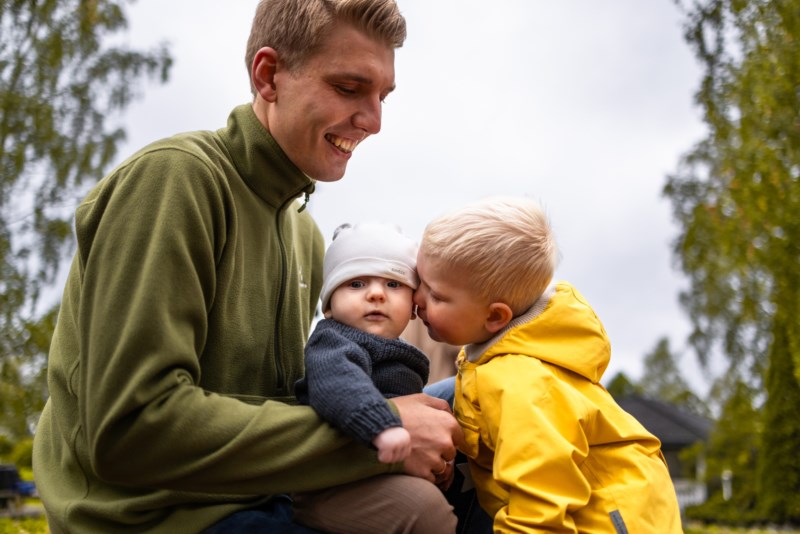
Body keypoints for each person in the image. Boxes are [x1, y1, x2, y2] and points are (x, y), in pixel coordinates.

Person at [31, 1, 462, 532]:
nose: (373, 121)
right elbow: (131, 432)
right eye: (349, 89)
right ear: (268, 75)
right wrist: (383, 436)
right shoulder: (175, 181)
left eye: (382, 96)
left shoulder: (303, 233)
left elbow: (292, 405)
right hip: (160, 520)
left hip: (268, 498)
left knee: (472, 403)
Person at [413, 196, 684, 533]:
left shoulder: (521, 384)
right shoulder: (499, 353)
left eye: (436, 295)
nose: (417, 299)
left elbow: (542, 498)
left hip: (607, 522)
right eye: (419, 281)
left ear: (496, 316)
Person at [291, 221, 456, 533]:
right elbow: (337, 384)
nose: (377, 294)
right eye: (356, 284)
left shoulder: (397, 349)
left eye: (393, 284)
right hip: (328, 484)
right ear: (328, 305)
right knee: (429, 511)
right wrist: (382, 426)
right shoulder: (334, 341)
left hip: (375, 472)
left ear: (412, 306)